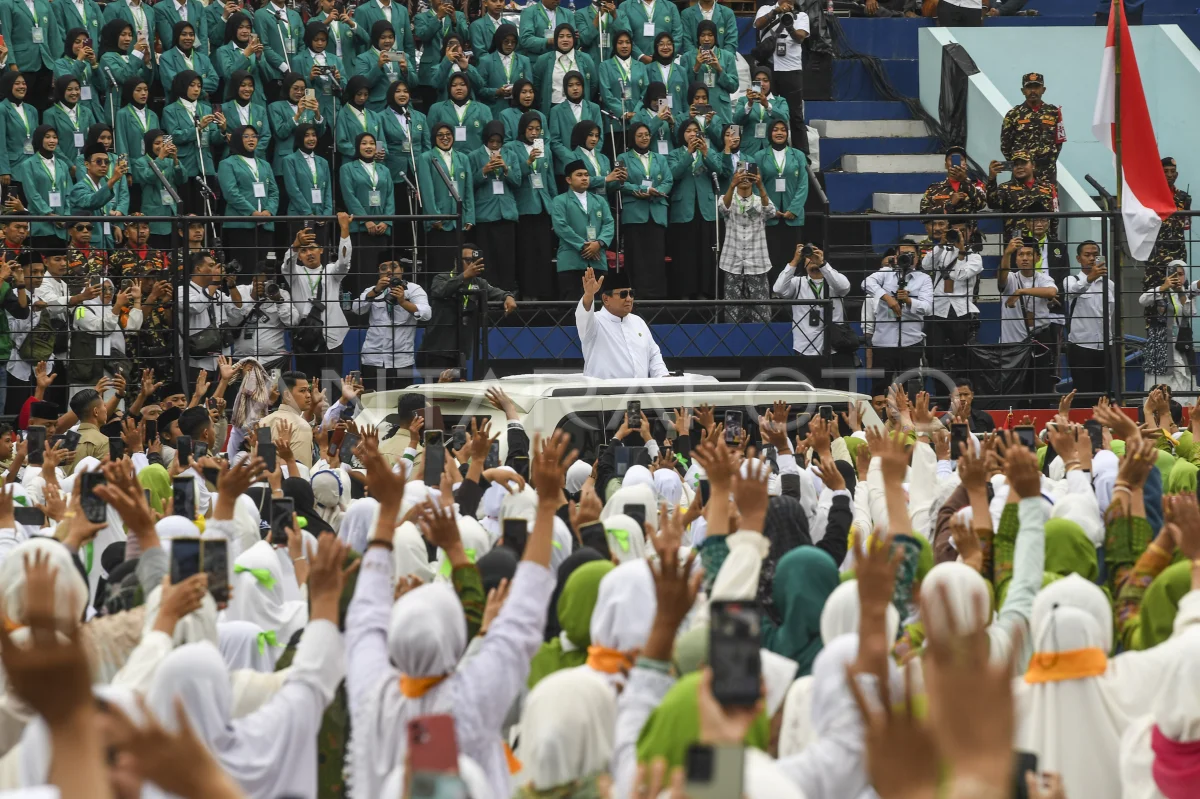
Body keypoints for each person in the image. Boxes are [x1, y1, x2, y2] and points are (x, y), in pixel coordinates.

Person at [281, 214, 353, 381]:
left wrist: (344, 230)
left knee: (332, 388)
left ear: (321, 250)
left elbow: (344, 263)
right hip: (306, 340)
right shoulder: (295, 273)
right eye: (303, 251)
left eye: (312, 248)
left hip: (332, 338)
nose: (308, 253)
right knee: (307, 388)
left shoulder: (330, 271)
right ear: (299, 255)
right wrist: (294, 246)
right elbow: (286, 266)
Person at [423, 245, 517, 371]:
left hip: (461, 349)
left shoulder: (478, 282)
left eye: (475, 261)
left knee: (457, 389)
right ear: (456, 261)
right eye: (468, 260)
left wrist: (509, 297)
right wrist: (464, 276)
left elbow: (498, 292)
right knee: (435, 389)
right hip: (437, 348)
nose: (472, 264)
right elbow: (440, 291)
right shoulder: (441, 278)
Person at [774, 243, 852, 389]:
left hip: (836, 346)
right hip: (806, 347)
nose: (812, 260)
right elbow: (778, 290)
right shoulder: (798, 282)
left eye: (815, 256)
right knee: (810, 391)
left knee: (842, 391)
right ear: (804, 265)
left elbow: (844, 287)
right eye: (808, 258)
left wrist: (822, 263)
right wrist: (794, 261)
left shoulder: (833, 280)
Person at [864, 248, 934, 394]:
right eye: (903, 254)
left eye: (911, 255)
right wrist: (887, 297)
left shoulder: (924, 278)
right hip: (883, 342)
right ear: (896, 256)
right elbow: (866, 283)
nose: (906, 258)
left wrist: (909, 301)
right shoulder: (885, 274)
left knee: (911, 389)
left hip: (911, 341)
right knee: (880, 388)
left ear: (917, 258)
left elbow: (927, 308)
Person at [577, 267, 667, 379]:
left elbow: (653, 355)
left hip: (640, 393)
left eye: (631, 293)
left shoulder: (638, 322)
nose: (629, 299)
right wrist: (589, 295)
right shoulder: (595, 322)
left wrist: (663, 376)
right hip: (604, 394)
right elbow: (584, 315)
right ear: (606, 299)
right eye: (623, 294)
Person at [353, 257, 431, 388]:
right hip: (373, 358)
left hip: (401, 361)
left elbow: (426, 314)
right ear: (379, 272)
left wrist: (403, 302)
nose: (388, 270)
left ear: (402, 270)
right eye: (383, 268)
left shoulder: (413, 289)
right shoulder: (373, 289)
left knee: (398, 402)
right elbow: (356, 309)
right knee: (372, 401)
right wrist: (375, 291)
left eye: (393, 267)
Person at [922, 220, 982, 388]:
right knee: (935, 356)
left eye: (962, 231)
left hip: (960, 310)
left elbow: (959, 275)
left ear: (970, 233)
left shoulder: (975, 257)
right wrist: (940, 245)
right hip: (937, 309)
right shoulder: (942, 251)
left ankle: (964, 392)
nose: (959, 234)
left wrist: (961, 252)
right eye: (955, 231)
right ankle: (941, 393)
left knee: (962, 356)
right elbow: (926, 265)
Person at [998, 235, 1060, 398]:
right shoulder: (1011, 278)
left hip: (1040, 339)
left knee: (1041, 390)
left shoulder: (1043, 278)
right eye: (1020, 254)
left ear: (1037, 258)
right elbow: (1002, 278)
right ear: (1015, 259)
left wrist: (1020, 292)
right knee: (1016, 392)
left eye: (1029, 254)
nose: (1025, 258)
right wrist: (1006, 254)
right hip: (1014, 344)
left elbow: (1051, 292)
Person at [503, 112, 556, 300]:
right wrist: (529, 162)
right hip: (524, 206)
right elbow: (514, 177)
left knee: (543, 253)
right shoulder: (511, 148)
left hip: (543, 206)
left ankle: (544, 294)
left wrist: (554, 207)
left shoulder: (545, 149)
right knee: (526, 254)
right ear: (522, 129)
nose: (534, 133)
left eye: (537, 129)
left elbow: (549, 180)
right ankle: (527, 293)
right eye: (530, 129)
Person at [617, 121, 672, 301]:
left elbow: (668, 180)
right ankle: (636, 296)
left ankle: (656, 297)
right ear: (633, 137)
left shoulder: (660, 158)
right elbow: (620, 183)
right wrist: (644, 189)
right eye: (639, 135)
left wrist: (656, 191)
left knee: (656, 257)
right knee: (637, 258)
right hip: (635, 214)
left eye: (647, 135)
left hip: (656, 212)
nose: (644, 138)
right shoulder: (623, 158)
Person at [667, 118, 720, 300]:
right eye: (688, 131)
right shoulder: (675, 154)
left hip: (705, 208)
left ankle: (704, 291)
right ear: (682, 135)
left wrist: (706, 153)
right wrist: (689, 153)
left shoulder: (708, 151)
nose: (692, 134)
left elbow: (720, 169)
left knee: (705, 252)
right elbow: (673, 174)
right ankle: (685, 291)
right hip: (683, 209)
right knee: (685, 253)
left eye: (695, 131)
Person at [162, 70, 225, 215]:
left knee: (207, 210)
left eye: (199, 86)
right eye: (192, 85)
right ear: (182, 86)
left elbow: (213, 139)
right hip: (186, 166)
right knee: (188, 210)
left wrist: (222, 130)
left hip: (205, 167)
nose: (196, 89)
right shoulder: (170, 110)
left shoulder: (206, 108)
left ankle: (207, 237)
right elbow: (175, 136)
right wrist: (198, 127)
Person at [755, 118, 810, 286]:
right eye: (775, 130)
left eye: (783, 130)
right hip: (769, 218)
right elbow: (757, 184)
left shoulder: (798, 155)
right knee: (771, 256)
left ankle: (791, 292)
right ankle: (772, 291)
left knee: (792, 255)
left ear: (787, 133)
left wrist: (794, 209)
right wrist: (770, 209)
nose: (779, 133)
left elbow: (803, 184)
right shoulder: (759, 156)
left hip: (792, 217)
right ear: (769, 133)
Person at [551, 160, 615, 299]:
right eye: (579, 175)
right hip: (571, 262)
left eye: (586, 175)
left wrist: (599, 244)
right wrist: (584, 246)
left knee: (596, 307)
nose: (584, 178)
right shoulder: (560, 200)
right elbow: (561, 227)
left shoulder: (599, 200)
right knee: (571, 307)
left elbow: (609, 223)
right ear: (568, 179)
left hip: (597, 261)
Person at [752, 0, 809, 155]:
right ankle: (761, 151)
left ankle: (802, 155)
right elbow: (758, 24)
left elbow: (800, 37)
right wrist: (776, 12)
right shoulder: (766, 9)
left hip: (791, 69)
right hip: (765, 68)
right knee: (760, 108)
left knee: (795, 114)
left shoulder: (802, 15)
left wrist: (789, 24)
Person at [218, 124, 279, 267]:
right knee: (245, 269)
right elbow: (231, 193)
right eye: (246, 136)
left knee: (265, 269)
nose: (251, 139)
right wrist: (252, 213)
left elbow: (274, 192)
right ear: (238, 139)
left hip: (265, 225)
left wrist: (269, 211)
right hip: (241, 225)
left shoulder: (265, 165)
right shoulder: (227, 164)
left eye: (254, 136)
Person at [341, 132, 395, 291]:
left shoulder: (384, 169)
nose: (369, 147)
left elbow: (391, 196)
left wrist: (386, 221)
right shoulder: (348, 168)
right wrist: (365, 220)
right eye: (364, 143)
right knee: (362, 273)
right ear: (358, 146)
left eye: (372, 143)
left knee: (381, 273)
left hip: (381, 230)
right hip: (360, 229)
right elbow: (349, 196)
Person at [720, 168, 775, 323]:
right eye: (740, 175)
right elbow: (722, 209)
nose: (744, 178)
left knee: (762, 313)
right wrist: (732, 186)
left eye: (748, 175)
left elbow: (770, 212)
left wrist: (761, 186)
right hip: (732, 262)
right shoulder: (726, 198)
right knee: (732, 314)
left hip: (757, 262)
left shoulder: (760, 200)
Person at [470, 121, 520, 291]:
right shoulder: (474, 156)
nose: (494, 145)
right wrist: (484, 171)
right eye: (491, 142)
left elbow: (517, 181)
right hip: (485, 213)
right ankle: (488, 292)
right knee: (487, 258)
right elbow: (469, 184)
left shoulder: (510, 154)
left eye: (498, 142)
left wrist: (506, 169)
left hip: (506, 212)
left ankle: (507, 292)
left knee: (507, 257)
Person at [1139, 259, 1199, 394]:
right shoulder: (1160, 291)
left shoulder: (1187, 292)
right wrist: (1162, 288)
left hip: (1181, 344)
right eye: (1175, 274)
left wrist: (1181, 293)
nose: (1178, 277)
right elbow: (1142, 300)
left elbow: (1190, 313)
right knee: (1161, 379)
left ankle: (1182, 409)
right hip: (1161, 344)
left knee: (1184, 377)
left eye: (1182, 274)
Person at [1063, 240, 1114, 397]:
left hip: (1106, 345)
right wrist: (1090, 278)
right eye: (1087, 255)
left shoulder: (1109, 284)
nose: (1092, 258)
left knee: (1104, 393)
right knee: (1083, 393)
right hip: (1081, 346)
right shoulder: (1071, 280)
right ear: (1078, 258)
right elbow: (1072, 292)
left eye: (1095, 255)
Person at [14, 126, 74, 251]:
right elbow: (32, 194)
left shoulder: (62, 165)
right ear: (39, 139)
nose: (52, 141)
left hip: (62, 228)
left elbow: (69, 193)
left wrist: (66, 217)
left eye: (55, 137)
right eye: (47, 137)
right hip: (41, 226)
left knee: (60, 265)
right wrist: (49, 214)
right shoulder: (28, 164)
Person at [1000, 72, 1064, 185]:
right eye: (1029, 87)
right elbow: (1005, 145)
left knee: (1047, 202)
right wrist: (1019, 164)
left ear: (1043, 89)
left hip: (1046, 172)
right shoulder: (1013, 114)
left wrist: (1047, 160)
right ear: (1023, 90)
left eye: (1036, 87)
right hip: (1022, 173)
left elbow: (1058, 142)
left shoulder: (1053, 112)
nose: (1033, 91)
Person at [68, 144, 130, 252]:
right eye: (98, 161)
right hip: (86, 248)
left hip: (105, 242)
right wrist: (113, 179)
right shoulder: (79, 188)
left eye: (106, 162)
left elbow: (101, 213)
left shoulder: (100, 186)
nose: (103, 165)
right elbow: (92, 202)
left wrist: (113, 227)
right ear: (87, 164)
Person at [0, 0, 57, 114]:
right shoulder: (6, 3)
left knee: (42, 107)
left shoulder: (44, 4)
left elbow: (53, 35)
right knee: (23, 107)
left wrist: (55, 64)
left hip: (45, 63)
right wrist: (12, 64)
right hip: (21, 64)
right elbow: (6, 36)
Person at [986, 150, 1057, 239]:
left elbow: (1055, 216)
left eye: (1023, 163)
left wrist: (1053, 240)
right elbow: (992, 204)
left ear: (1033, 166)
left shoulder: (1048, 188)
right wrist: (992, 179)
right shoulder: (1005, 188)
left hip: (1042, 240)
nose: (1019, 167)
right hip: (1016, 242)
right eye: (1016, 164)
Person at [548, 71, 604, 175]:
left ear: (583, 87)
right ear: (565, 88)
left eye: (578, 84)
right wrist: (573, 157)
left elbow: (599, 137)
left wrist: (589, 156)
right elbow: (555, 141)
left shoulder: (594, 108)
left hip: (592, 163)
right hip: (567, 164)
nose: (575, 88)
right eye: (570, 85)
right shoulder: (556, 111)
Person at [292, 21, 347, 127]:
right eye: (316, 40)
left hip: (333, 109)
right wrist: (310, 78)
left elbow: (345, 86)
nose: (320, 43)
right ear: (309, 39)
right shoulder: (298, 60)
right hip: (310, 110)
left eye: (323, 40)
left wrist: (339, 80)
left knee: (334, 140)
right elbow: (294, 89)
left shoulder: (335, 59)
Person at [131, 131, 183, 242]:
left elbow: (182, 179)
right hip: (154, 211)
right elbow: (149, 177)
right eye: (157, 143)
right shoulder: (141, 162)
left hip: (171, 210)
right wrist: (160, 158)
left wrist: (175, 160)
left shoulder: (170, 161)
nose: (160, 146)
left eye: (162, 143)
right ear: (149, 145)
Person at [427, 72, 492, 155]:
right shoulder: (436, 108)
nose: (458, 88)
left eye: (462, 84)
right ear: (449, 88)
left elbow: (489, 139)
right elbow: (429, 138)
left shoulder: (483, 109)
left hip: (475, 161)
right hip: (446, 160)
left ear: (468, 87)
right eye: (454, 85)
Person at [476, 23, 532, 119]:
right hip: (495, 111)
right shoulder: (486, 61)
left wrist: (517, 90)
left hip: (518, 111)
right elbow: (479, 89)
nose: (510, 45)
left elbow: (530, 85)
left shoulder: (524, 61)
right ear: (499, 41)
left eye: (513, 42)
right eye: (506, 41)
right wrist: (497, 92)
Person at [734, 65, 789, 160]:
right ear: (752, 83)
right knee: (747, 174)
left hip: (771, 148)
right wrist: (749, 104)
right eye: (758, 80)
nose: (762, 84)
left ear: (770, 83)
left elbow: (784, 118)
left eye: (765, 80)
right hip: (748, 150)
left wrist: (767, 105)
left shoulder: (780, 101)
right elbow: (736, 120)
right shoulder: (743, 100)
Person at [353, 21, 411, 111]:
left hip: (401, 107)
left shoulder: (402, 56)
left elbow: (414, 83)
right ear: (375, 38)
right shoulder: (363, 58)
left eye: (391, 37)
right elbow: (362, 85)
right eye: (383, 37)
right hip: (377, 109)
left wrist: (405, 71)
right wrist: (378, 66)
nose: (387, 41)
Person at [52, 29, 104, 127]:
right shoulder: (60, 63)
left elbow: (102, 86)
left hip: (94, 109)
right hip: (75, 110)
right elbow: (67, 83)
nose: (81, 45)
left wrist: (94, 64)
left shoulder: (88, 63)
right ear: (69, 44)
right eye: (77, 42)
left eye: (84, 42)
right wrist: (79, 60)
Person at [45, 75, 98, 171]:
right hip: (62, 167)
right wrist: (70, 165)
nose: (74, 93)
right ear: (61, 91)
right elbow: (52, 144)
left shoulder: (87, 112)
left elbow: (94, 138)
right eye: (69, 89)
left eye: (77, 89)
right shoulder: (50, 114)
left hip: (86, 167)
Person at [253, 0, 305, 93]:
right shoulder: (261, 14)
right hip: (275, 75)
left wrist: (297, 65)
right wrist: (284, 67)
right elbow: (263, 45)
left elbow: (302, 43)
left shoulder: (295, 15)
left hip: (296, 75)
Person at [159, 22, 218, 102]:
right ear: (177, 36)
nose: (188, 38)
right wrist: (203, 93)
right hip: (178, 108)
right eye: (184, 34)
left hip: (203, 108)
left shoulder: (203, 58)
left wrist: (188, 83)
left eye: (191, 34)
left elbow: (214, 83)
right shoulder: (166, 58)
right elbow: (172, 84)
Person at [0, 73, 40, 188]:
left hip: (32, 166)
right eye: (17, 83)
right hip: (12, 169)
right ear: (8, 86)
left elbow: (36, 139)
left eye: (24, 83)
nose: (22, 86)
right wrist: (4, 170)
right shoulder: (2, 109)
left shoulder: (31, 109)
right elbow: (1, 142)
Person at [1150, 156, 1191, 267]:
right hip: (1157, 250)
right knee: (1155, 283)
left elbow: (1186, 225)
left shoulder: (1184, 198)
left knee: (1179, 283)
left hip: (1178, 249)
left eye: (1172, 171)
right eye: (1166, 171)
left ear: (1176, 175)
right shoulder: (1151, 196)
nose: (1169, 175)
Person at [920, 146, 987, 215]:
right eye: (951, 159)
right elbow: (924, 214)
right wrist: (950, 204)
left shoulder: (975, 185)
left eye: (961, 159)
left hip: (967, 225)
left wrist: (965, 180)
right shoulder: (934, 189)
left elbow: (982, 205)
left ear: (965, 165)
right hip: (944, 226)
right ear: (946, 165)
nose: (955, 163)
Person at [221, 70, 272, 159]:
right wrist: (224, 133)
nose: (247, 89)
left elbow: (266, 135)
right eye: (243, 85)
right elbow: (215, 137)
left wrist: (252, 152)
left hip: (257, 158)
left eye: (250, 85)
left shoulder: (260, 110)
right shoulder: (224, 109)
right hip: (232, 157)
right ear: (235, 86)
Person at [214, 12, 266, 98]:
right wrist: (246, 54)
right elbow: (229, 75)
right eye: (240, 27)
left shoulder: (255, 49)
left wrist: (259, 58)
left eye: (248, 27)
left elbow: (267, 76)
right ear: (233, 29)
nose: (245, 31)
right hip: (234, 100)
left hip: (257, 101)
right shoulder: (223, 51)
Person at [615, 0, 683, 63]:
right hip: (634, 63)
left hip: (665, 62)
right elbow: (623, 35)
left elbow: (678, 34)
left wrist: (665, 55)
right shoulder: (625, 6)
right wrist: (640, 56)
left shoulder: (670, 7)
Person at [335, 75, 383, 161]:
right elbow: (341, 142)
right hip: (352, 163)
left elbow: (381, 140)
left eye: (366, 94)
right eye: (359, 94)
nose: (362, 98)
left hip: (374, 163)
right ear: (352, 93)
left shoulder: (374, 115)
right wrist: (360, 152)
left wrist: (381, 152)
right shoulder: (341, 115)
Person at [113, 76, 158, 159]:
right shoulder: (122, 114)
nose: (143, 93)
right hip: (134, 165)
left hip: (154, 165)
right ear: (130, 92)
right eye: (138, 90)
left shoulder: (153, 115)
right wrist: (126, 169)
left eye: (146, 89)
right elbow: (121, 143)